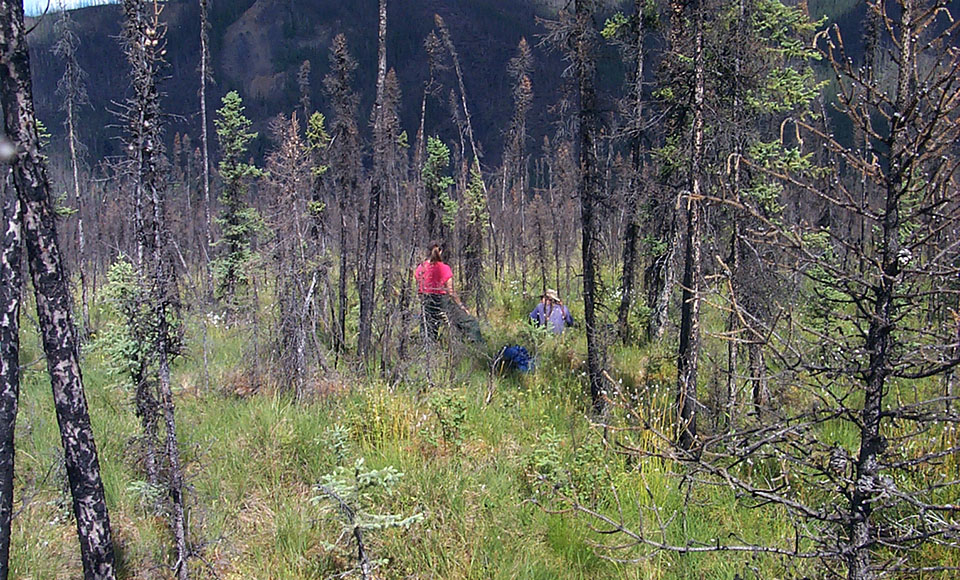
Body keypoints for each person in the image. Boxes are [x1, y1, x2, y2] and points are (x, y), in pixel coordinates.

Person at [414, 242, 484, 343]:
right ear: (440, 252)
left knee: (428, 329)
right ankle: (478, 345)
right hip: (442, 302)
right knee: (471, 323)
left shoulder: (420, 268)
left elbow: (419, 290)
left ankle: (429, 350)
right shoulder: (444, 268)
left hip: (426, 302)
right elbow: (451, 291)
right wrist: (461, 307)